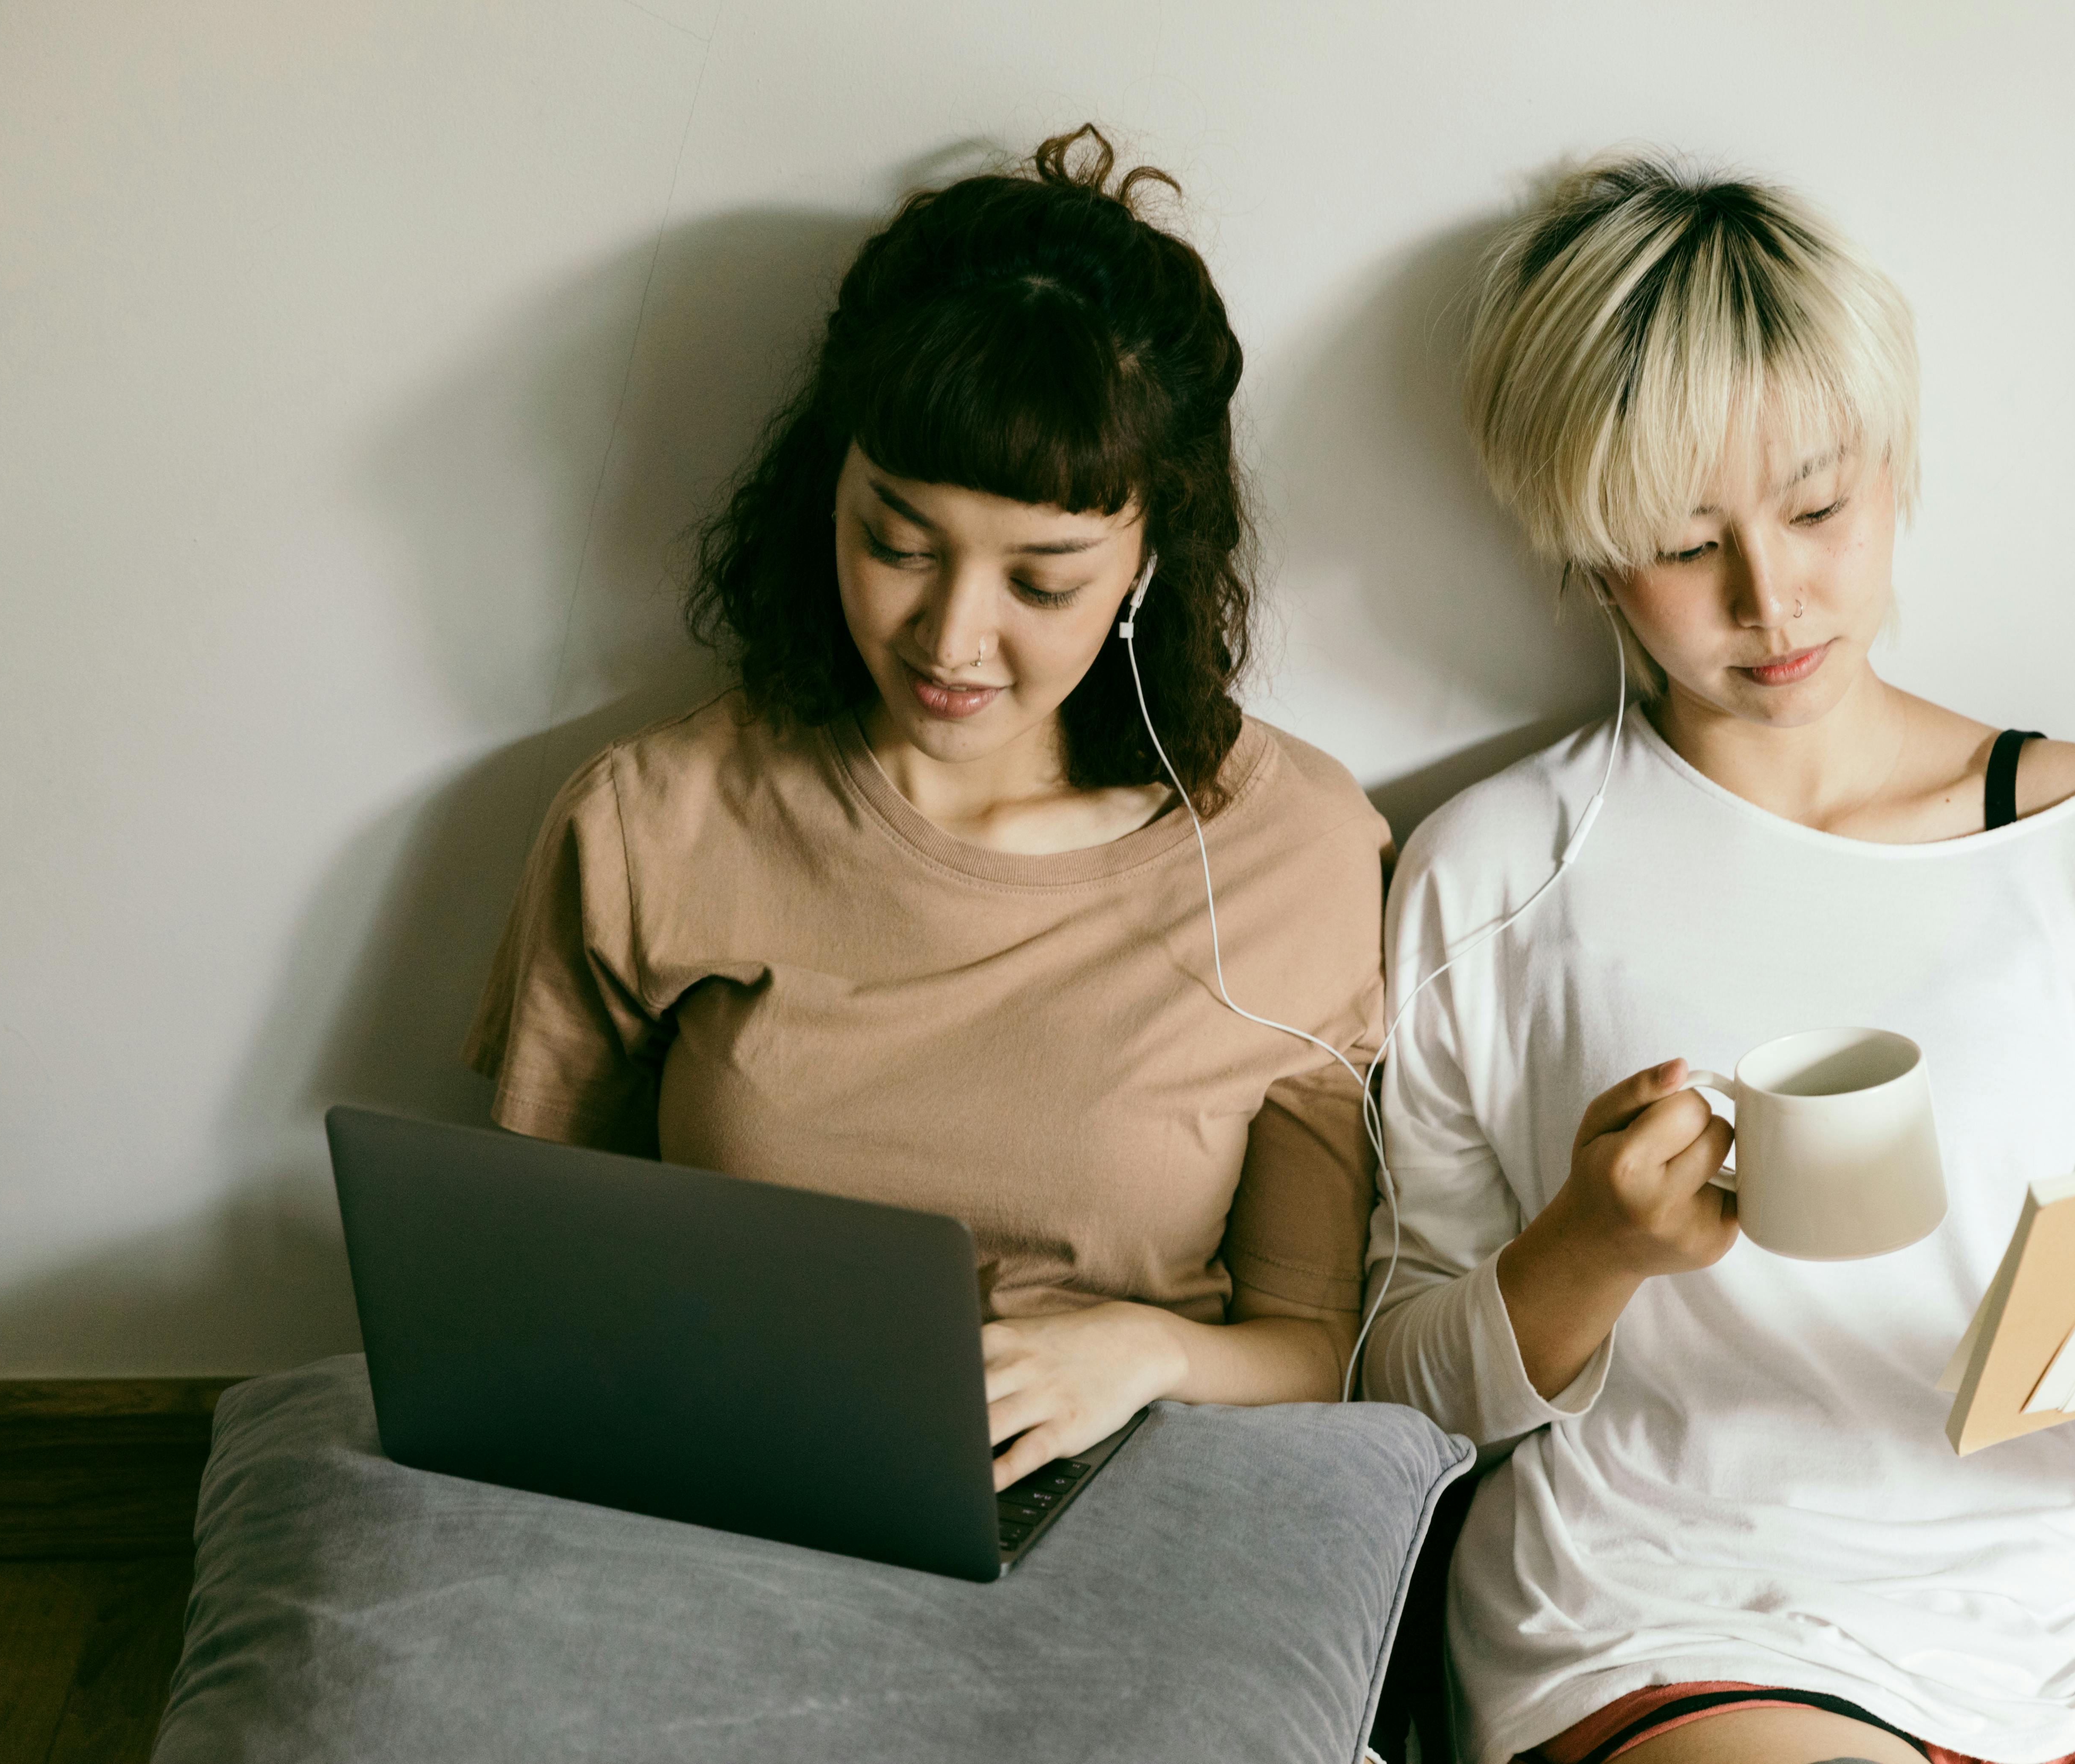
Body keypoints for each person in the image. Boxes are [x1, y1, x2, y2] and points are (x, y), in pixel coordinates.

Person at [1361, 157, 2075, 1764]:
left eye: (1815, 507)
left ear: (1891, 470)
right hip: (1677, 1615)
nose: (1769, 596)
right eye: (1677, 537)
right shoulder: (1497, 873)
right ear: (1583, 552)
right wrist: (1591, 1245)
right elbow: (1393, 1401)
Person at [466, 127, 1386, 1492]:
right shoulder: (655, 820)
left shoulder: (1290, 850)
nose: (951, 638)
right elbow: (530, 1281)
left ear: (1149, 559)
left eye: (1043, 582)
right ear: (821, 494)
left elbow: (1312, 1349)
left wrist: (1135, 1354)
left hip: (1131, 1495)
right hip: (726, 1479)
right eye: (895, 544)